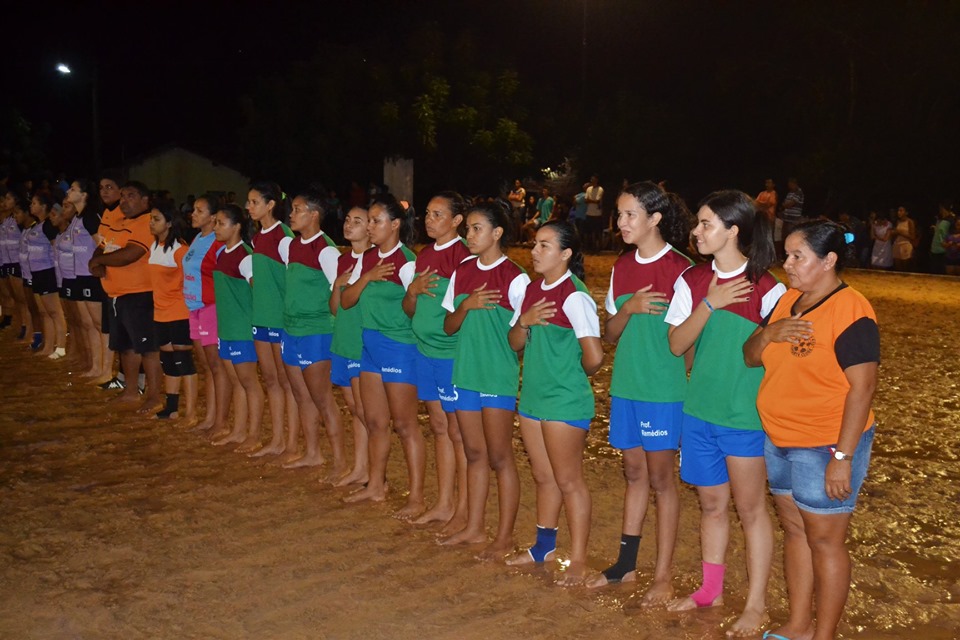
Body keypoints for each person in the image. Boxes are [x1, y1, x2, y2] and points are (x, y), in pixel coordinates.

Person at [744, 220, 879, 640]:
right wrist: (770, 333)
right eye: (787, 255)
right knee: (796, 530)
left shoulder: (851, 309)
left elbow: (863, 388)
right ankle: (800, 624)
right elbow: (749, 355)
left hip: (824, 443)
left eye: (797, 256)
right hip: (780, 438)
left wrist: (842, 457)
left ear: (828, 260)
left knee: (825, 540)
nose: (787, 264)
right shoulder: (787, 300)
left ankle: (825, 635)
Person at [664, 190, 785, 638]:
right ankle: (709, 591)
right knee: (712, 506)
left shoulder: (769, 289)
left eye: (706, 223)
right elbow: (676, 345)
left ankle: (756, 605)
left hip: (745, 418)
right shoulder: (692, 281)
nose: (696, 231)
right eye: (698, 222)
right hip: (699, 413)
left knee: (752, 510)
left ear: (733, 230)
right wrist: (710, 303)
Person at [587, 182, 694, 605]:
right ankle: (626, 564)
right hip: (627, 386)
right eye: (619, 214)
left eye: (630, 214)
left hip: (663, 391)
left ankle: (663, 575)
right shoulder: (622, 266)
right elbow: (610, 334)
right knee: (633, 474)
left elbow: (690, 342)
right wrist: (628, 308)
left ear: (655, 219)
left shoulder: (682, 269)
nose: (621, 222)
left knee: (663, 480)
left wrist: (678, 382)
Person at [506, 220, 603, 586]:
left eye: (544, 245)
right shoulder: (532, 290)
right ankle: (542, 548)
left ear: (565, 254)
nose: (534, 251)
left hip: (564, 401)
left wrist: (567, 377)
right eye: (535, 243)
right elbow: (514, 343)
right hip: (533, 397)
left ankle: (577, 559)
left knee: (569, 481)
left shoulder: (574, 295)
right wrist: (525, 321)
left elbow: (594, 357)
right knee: (544, 477)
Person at [440, 201, 529, 557]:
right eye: (469, 229)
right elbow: (448, 327)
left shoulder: (515, 278)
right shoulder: (462, 271)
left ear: (497, 233)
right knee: (474, 453)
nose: (469, 235)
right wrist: (466, 305)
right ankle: (475, 528)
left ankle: (504, 537)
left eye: (477, 228)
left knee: (500, 457)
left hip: (497, 378)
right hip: (465, 374)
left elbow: (522, 340)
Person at [340, 195, 425, 519]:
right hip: (370, 345)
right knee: (375, 421)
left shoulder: (407, 262)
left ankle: (416, 498)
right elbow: (346, 301)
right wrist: (366, 277)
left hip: (399, 347)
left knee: (405, 425)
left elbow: (416, 309)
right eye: (370, 221)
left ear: (395, 224)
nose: (370, 227)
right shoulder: (368, 258)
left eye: (376, 221)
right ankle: (376, 485)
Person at [403, 191, 471, 527]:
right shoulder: (424, 255)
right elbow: (409, 309)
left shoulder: (465, 257)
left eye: (437, 214)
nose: (429, 220)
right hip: (425, 351)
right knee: (439, 427)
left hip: (450, 354)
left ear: (457, 220)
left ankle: (464, 509)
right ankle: (444, 503)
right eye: (427, 214)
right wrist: (412, 291)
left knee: (459, 433)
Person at [280, 189, 347, 481]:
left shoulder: (326, 250)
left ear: (314, 215)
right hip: (291, 329)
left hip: (316, 332)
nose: (291, 214)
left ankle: (340, 462)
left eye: (298, 209)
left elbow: (338, 293)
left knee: (322, 399)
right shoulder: (292, 246)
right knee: (301, 395)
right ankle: (312, 453)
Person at [89, 181, 163, 413]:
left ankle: (154, 395)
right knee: (126, 347)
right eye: (122, 196)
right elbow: (103, 245)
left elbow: (130, 254)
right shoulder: (119, 221)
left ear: (145, 200)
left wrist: (99, 261)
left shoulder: (146, 222)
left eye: (131, 196)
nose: (124, 201)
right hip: (116, 294)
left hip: (140, 294)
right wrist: (98, 259)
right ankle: (131, 391)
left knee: (148, 349)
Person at [247, 182, 300, 458]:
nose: (249, 207)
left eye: (254, 202)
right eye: (248, 202)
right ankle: (277, 439)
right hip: (261, 317)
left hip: (280, 320)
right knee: (270, 380)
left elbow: (293, 281)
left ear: (270, 205)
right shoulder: (257, 239)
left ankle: (291, 443)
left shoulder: (284, 237)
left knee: (287, 381)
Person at [211, 203, 264, 447]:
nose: (216, 228)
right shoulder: (222, 253)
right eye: (216, 223)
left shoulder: (245, 256)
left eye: (221, 223)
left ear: (237, 227)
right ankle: (238, 431)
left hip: (242, 330)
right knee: (236, 382)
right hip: (227, 328)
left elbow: (258, 292)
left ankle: (253, 435)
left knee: (249, 382)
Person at [329, 206, 373, 487]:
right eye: (347, 219)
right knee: (354, 408)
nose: (349, 224)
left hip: (361, 343)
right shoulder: (343, 260)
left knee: (365, 410)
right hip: (342, 342)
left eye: (357, 221)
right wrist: (336, 286)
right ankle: (359, 467)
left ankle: (372, 471)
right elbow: (335, 309)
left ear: (371, 227)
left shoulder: (375, 261)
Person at [182, 194, 228, 436]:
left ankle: (220, 421)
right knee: (207, 367)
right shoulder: (198, 238)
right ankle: (210, 418)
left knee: (216, 366)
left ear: (213, 217)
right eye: (194, 209)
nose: (193, 214)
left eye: (200, 211)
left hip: (210, 307)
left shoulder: (217, 243)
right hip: (194, 308)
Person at [147, 204, 197, 422]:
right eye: (151, 218)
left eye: (156, 219)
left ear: (169, 223)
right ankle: (172, 408)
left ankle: (191, 412)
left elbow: (191, 280)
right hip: (160, 312)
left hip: (179, 312)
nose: (151, 223)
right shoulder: (154, 246)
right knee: (168, 361)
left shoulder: (180, 250)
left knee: (183, 361)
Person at [65, 180, 111, 383]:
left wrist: (99, 264)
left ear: (84, 195)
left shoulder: (90, 217)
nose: (68, 191)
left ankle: (106, 370)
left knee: (100, 325)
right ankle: (95, 366)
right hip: (79, 275)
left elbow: (102, 243)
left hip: (91, 277)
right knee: (88, 323)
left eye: (73, 189)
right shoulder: (77, 217)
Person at [26, 190, 67, 358]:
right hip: (36, 273)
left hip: (47, 272)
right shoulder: (37, 225)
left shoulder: (48, 226)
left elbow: (56, 248)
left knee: (55, 312)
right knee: (44, 312)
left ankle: (61, 347)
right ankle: (48, 346)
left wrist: (58, 274)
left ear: (43, 206)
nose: (31, 206)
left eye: (34, 203)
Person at [928, 202, 953, 275]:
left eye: (941, 208)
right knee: (935, 272)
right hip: (935, 249)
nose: (940, 210)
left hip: (944, 250)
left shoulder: (951, 220)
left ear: (944, 209)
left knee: (943, 272)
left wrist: (949, 243)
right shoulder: (939, 219)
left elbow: (953, 233)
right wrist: (935, 228)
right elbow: (940, 232)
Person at [891, 206, 917, 272]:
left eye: (901, 211)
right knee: (897, 267)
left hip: (905, 245)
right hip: (897, 245)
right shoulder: (897, 221)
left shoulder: (910, 222)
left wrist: (900, 232)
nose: (898, 212)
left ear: (906, 212)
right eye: (898, 211)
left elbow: (912, 236)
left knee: (905, 268)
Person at [583, 175, 605, 251]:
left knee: (597, 232)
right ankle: (591, 248)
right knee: (589, 232)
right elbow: (586, 200)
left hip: (597, 213)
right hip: (589, 213)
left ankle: (598, 248)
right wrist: (592, 201)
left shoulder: (600, 189)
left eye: (593, 179)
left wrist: (590, 200)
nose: (592, 181)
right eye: (591, 179)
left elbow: (597, 200)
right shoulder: (589, 189)